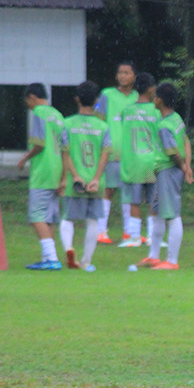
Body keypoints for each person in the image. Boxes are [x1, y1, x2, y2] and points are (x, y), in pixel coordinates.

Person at [139, 82, 193, 270]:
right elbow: (186, 141)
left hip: (168, 171)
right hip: (166, 171)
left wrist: (183, 167)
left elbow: (173, 152)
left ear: (159, 100)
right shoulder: (176, 118)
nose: (153, 99)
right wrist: (188, 166)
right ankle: (153, 256)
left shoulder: (164, 126)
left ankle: (172, 261)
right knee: (157, 212)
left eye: (155, 97)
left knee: (172, 215)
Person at [60, 81, 110, 271]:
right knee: (93, 221)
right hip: (96, 182)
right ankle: (86, 261)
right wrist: (96, 178)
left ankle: (69, 248)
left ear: (77, 99)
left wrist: (75, 176)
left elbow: (65, 152)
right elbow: (105, 153)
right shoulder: (103, 126)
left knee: (68, 218)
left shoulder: (67, 124)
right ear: (97, 101)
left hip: (76, 181)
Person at [16, 83, 64, 270]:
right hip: (56, 168)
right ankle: (48, 258)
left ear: (33, 97)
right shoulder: (58, 115)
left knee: (37, 216)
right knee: (49, 217)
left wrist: (24, 159)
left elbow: (39, 144)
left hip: (42, 170)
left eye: (28, 101)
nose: (28, 105)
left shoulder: (39, 113)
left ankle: (51, 259)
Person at [93, 61, 138, 244]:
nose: (122, 76)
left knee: (129, 191)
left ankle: (129, 231)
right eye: (120, 72)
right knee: (108, 189)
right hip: (111, 152)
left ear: (134, 76)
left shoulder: (138, 97)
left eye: (127, 73)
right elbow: (98, 120)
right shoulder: (107, 95)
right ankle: (101, 231)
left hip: (132, 154)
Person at [117, 72, 162, 248]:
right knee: (154, 201)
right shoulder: (156, 112)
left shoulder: (127, 111)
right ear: (151, 89)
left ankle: (134, 237)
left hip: (133, 162)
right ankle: (152, 237)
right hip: (152, 161)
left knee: (133, 201)